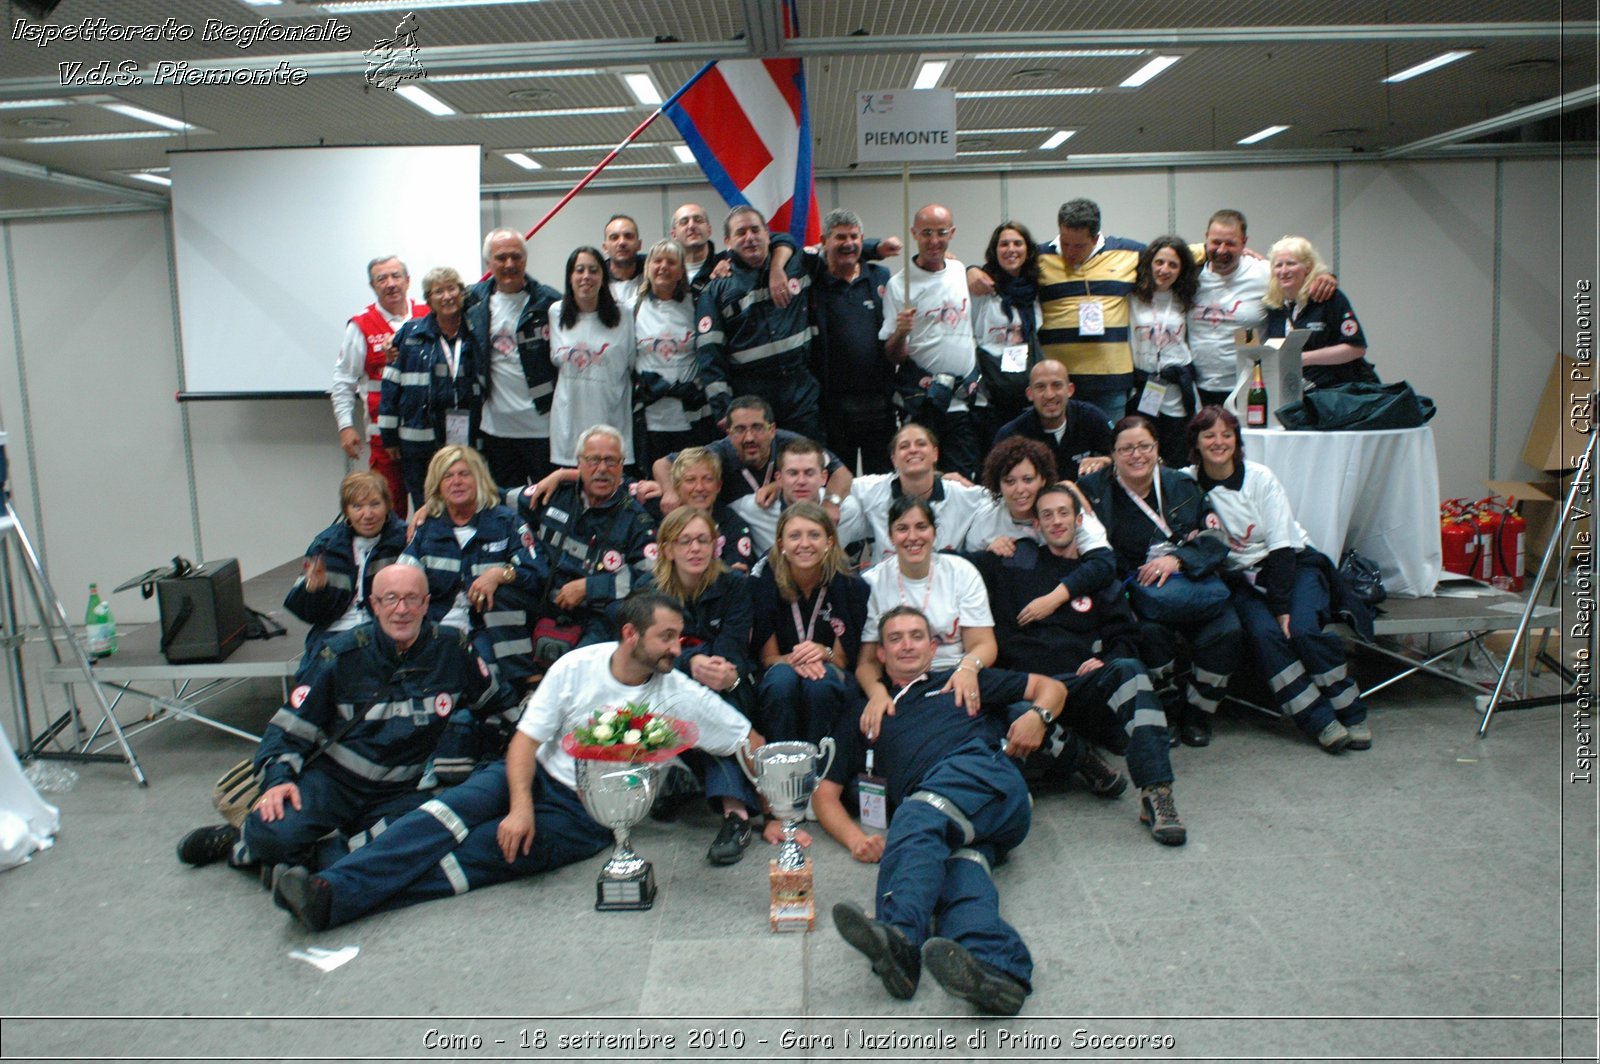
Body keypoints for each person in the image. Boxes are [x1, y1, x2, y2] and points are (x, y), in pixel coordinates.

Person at [270, 593, 773, 931]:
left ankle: (330, 893)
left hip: (586, 817)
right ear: (630, 635)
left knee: (478, 856)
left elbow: (746, 739)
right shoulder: (575, 667)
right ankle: (332, 878)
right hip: (528, 778)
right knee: (441, 818)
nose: (676, 649)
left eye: (679, 638)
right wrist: (520, 804)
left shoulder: (680, 693)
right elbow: (524, 743)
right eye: (666, 637)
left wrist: (778, 808)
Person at [175, 565, 515, 874]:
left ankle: (311, 861)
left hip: (400, 791)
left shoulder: (454, 651)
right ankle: (242, 841)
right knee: (274, 833)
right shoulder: (340, 655)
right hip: (333, 782)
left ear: (426, 604)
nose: (402, 609)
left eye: (412, 599)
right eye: (391, 598)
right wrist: (278, 780)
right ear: (374, 604)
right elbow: (289, 728)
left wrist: (530, 748)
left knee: (433, 832)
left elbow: (499, 706)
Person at [819, 606, 1066, 1016]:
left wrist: (1038, 718)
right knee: (960, 875)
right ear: (880, 653)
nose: (907, 645)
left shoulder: (962, 681)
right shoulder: (862, 714)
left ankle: (900, 939)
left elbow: (1052, 688)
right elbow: (823, 795)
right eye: (895, 638)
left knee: (916, 815)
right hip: (956, 825)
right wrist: (855, 838)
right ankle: (999, 972)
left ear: (934, 647)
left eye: (917, 636)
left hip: (987, 780)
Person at [972, 483, 1186, 845]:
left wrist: (1105, 660)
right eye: (1047, 516)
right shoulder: (1017, 559)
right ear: (1036, 526)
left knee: (1130, 672)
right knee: (1002, 707)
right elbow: (953, 564)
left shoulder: (1097, 575)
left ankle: (1156, 793)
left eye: (1063, 513)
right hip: (1030, 689)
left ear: (1079, 519)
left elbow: (1126, 639)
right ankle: (1080, 758)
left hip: (1083, 688)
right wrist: (986, 548)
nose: (1056, 522)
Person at [1187, 405, 1372, 752]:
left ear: (1237, 440)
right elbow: (1146, 476)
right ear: (1196, 442)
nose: (1218, 441)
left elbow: (1282, 546)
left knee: (1300, 629)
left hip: (1293, 566)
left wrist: (1281, 605)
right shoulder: (1186, 483)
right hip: (1243, 579)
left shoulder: (1260, 478)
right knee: (1265, 634)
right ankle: (1319, 721)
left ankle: (1351, 710)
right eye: (1209, 434)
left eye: (1227, 434)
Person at [1077, 416, 1238, 748]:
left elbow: (1216, 536)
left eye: (1144, 447)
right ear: (1113, 454)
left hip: (1191, 582)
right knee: (1149, 634)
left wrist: (1178, 559)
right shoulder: (1096, 490)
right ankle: (1165, 708)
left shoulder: (1179, 484)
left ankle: (1198, 710)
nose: (1137, 455)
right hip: (1136, 592)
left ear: (1157, 449)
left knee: (1227, 631)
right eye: (1126, 449)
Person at [644, 507, 765, 862]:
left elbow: (734, 647)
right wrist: (687, 662)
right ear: (667, 549)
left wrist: (726, 671)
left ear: (716, 545)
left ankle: (729, 808)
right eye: (685, 541)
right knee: (695, 699)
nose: (695, 548)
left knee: (716, 696)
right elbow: (647, 651)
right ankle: (735, 811)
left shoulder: (735, 586)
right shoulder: (650, 594)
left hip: (729, 681)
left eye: (703, 540)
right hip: (668, 682)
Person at [401, 445, 548, 691]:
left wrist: (503, 574)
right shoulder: (426, 528)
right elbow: (402, 578)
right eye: (448, 476)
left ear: (478, 479)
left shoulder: (506, 522)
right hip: (436, 627)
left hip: (490, 630)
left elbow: (539, 573)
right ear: (438, 485)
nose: (456, 482)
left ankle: (523, 689)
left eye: (464, 474)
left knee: (484, 681)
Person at [856, 497, 997, 737]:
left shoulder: (961, 571)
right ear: (890, 536)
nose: (912, 537)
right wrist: (877, 693)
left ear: (934, 532)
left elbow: (984, 644)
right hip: (901, 681)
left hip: (957, 674)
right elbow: (867, 662)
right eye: (902, 528)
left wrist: (967, 668)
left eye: (921, 527)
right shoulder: (873, 583)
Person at [519, 425, 656, 646]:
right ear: (579, 463)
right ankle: (521, 678)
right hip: (543, 599)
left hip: (597, 615)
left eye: (611, 461)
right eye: (593, 460)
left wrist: (591, 587)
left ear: (622, 466)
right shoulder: (554, 493)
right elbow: (497, 502)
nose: (602, 468)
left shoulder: (636, 518)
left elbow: (650, 577)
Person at [748, 502, 870, 747]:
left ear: (829, 542)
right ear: (781, 544)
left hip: (829, 672)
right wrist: (801, 660)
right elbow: (768, 659)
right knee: (782, 681)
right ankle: (780, 767)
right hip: (780, 670)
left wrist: (822, 652)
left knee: (821, 684)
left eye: (814, 535)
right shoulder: (762, 583)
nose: (804, 544)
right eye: (795, 536)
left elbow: (843, 660)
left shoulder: (851, 587)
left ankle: (824, 769)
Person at [696, 206, 822, 440]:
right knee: (761, 474)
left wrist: (874, 247)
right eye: (741, 232)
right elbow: (709, 358)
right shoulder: (715, 291)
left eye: (755, 230)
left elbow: (839, 251)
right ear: (727, 242)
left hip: (801, 396)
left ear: (767, 233)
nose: (750, 237)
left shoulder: (797, 265)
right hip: (751, 403)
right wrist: (724, 409)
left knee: (806, 469)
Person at [881, 203, 984, 477]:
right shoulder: (899, 285)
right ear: (914, 233)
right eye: (927, 233)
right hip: (923, 400)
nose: (934, 241)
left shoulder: (960, 271)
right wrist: (901, 332)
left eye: (941, 232)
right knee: (919, 477)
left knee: (963, 480)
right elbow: (893, 356)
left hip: (963, 399)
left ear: (952, 233)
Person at [464, 229, 562, 489]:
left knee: (547, 503)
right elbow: (437, 322)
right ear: (489, 263)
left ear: (526, 259)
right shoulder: (472, 301)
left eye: (516, 256)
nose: (509, 264)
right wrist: (394, 342)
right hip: (496, 431)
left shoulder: (551, 302)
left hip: (544, 427)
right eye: (501, 257)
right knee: (506, 506)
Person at [331, 254, 427, 511]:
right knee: (388, 510)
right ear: (373, 287)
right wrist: (345, 426)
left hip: (427, 437)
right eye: (381, 278)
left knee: (432, 509)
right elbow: (343, 380)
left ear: (407, 281)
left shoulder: (428, 314)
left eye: (396, 276)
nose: (390, 283)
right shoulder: (361, 325)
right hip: (384, 440)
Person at [1032, 198, 1144, 419]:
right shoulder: (1038, 257)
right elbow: (1000, 271)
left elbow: (1173, 255)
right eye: (1065, 242)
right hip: (1057, 383)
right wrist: (972, 271)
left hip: (1110, 382)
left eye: (1079, 245)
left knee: (1110, 448)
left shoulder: (1129, 253)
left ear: (1095, 238)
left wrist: (1213, 248)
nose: (1070, 251)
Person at [650, 396, 851, 518]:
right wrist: (670, 492)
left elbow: (841, 473)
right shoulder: (719, 452)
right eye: (739, 430)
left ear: (772, 429)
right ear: (728, 433)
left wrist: (831, 504)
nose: (749, 438)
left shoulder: (792, 445)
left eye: (757, 428)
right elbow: (662, 464)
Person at [378, 266, 478, 509]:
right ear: (428, 300)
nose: (447, 296)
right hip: (417, 444)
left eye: (452, 288)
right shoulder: (409, 335)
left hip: (466, 442)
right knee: (427, 507)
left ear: (462, 293)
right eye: (438, 291)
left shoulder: (476, 332)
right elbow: (391, 387)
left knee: (465, 506)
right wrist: (388, 436)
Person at [962, 437, 1114, 593]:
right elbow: (968, 575)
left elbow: (1104, 563)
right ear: (998, 484)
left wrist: (1053, 599)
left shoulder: (1065, 506)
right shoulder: (987, 520)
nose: (1020, 489)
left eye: (1028, 479)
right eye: (1009, 481)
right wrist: (988, 556)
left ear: (1043, 479)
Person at [283, 471, 408, 659]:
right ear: (346, 511)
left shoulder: (405, 541)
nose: (367, 514)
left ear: (388, 506)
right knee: (316, 677)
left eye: (375, 504)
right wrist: (312, 589)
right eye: (357, 506)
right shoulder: (325, 545)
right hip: (334, 636)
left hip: (387, 634)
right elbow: (307, 614)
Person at [809, 208, 897, 475]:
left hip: (879, 405)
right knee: (838, 482)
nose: (848, 243)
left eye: (854, 237)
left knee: (881, 484)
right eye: (840, 237)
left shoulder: (880, 276)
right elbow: (798, 251)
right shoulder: (811, 279)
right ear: (824, 241)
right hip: (832, 408)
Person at [850, 423, 989, 567]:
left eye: (921, 444)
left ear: (935, 454)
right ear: (894, 460)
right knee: (848, 506)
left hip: (945, 582)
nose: (913, 450)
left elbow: (999, 500)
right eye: (904, 446)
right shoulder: (872, 489)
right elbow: (833, 483)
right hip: (886, 582)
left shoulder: (962, 494)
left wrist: (994, 543)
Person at [548, 247, 636, 471]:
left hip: (612, 422)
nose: (586, 276)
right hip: (567, 428)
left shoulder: (624, 315)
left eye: (593, 270)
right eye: (579, 270)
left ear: (603, 277)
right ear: (570, 276)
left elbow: (632, 365)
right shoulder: (556, 313)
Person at [632, 238, 713, 469]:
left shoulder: (697, 305)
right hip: (651, 418)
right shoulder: (632, 308)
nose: (663, 267)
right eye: (657, 261)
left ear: (681, 272)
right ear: (647, 267)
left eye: (671, 262)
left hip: (691, 416)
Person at [1264, 236, 1379, 389]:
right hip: (1299, 393)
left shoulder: (1328, 297)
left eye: (1291, 264)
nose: (1284, 271)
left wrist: (1303, 358)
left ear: (1308, 267)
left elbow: (1356, 348)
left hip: (1341, 392)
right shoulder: (1275, 306)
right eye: (1278, 265)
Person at [1128, 236, 1202, 466]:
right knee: (1141, 452)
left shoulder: (1185, 299)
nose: (1164, 270)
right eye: (1159, 262)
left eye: (1173, 265)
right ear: (1149, 262)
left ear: (1182, 270)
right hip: (1143, 387)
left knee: (1177, 456)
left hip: (1175, 388)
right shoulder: (1132, 298)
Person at [732, 436, 869, 556]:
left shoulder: (847, 510)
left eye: (809, 473)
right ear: (779, 479)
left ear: (823, 477)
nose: (801, 481)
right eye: (793, 473)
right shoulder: (753, 508)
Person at [972, 220, 1044, 442]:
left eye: (1017, 243)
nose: (1011, 250)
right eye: (1004, 244)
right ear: (994, 251)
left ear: (1028, 249)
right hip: (991, 394)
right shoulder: (981, 287)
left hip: (1024, 392)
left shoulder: (1034, 288)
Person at [990, 360, 1115, 481]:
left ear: (1070, 390)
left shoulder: (1091, 417)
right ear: (1030, 394)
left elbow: (1123, 454)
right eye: (1040, 387)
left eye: (1057, 385)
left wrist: (1106, 461)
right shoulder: (1011, 435)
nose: (1049, 395)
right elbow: (995, 481)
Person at [670, 202, 721, 299]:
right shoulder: (666, 272)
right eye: (684, 222)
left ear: (709, 230)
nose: (692, 226)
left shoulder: (726, 264)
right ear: (674, 234)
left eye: (698, 220)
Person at [602, 213, 643, 305]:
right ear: (605, 247)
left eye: (628, 236)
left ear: (639, 245)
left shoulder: (654, 274)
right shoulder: (597, 280)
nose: (622, 242)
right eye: (614, 237)